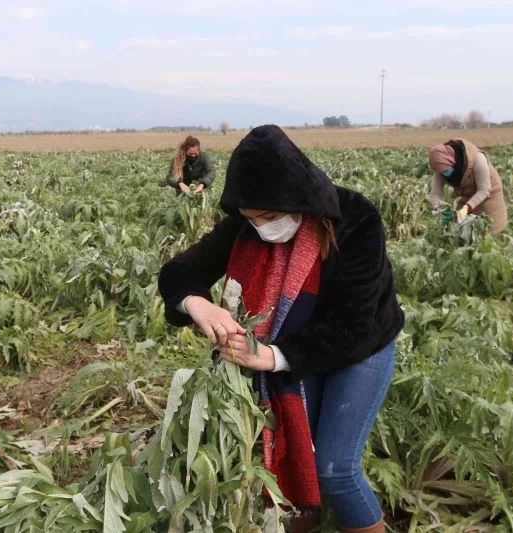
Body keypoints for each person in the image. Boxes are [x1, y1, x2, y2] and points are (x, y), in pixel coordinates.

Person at [158, 125, 404, 533]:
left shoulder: (356, 221)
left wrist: (269, 357)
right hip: (294, 349)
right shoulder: (245, 226)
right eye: (252, 219)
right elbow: (179, 272)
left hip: (361, 347)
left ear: (300, 198)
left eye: (271, 217)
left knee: (334, 469)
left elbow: (351, 327)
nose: (262, 228)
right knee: (288, 454)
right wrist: (196, 303)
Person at [427, 139, 508, 235]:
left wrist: (467, 208)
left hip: (488, 193)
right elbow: (434, 194)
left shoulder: (478, 159)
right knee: (465, 231)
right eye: (442, 172)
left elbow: (484, 190)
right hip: (466, 194)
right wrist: (441, 208)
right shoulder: (441, 168)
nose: (445, 174)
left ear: (452, 161)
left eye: (446, 171)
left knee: (489, 229)